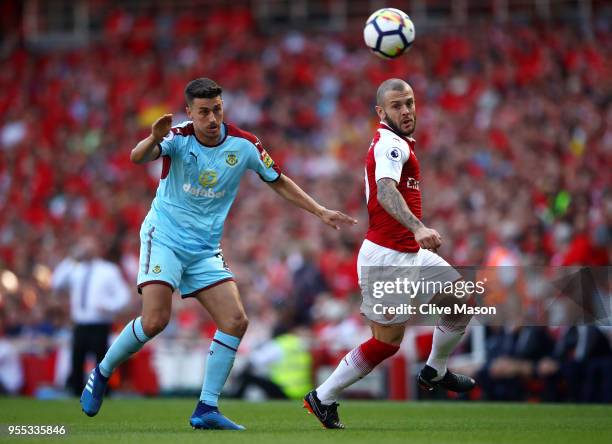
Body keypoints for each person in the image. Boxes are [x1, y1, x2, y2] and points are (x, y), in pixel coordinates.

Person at [80, 78, 356, 430]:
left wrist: (319, 210)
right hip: (164, 237)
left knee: (236, 321)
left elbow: (279, 180)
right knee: (155, 321)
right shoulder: (177, 136)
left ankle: (206, 408)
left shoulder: (244, 144)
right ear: (190, 113)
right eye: (204, 112)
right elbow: (138, 157)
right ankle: (102, 372)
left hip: (204, 248)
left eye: (217, 110)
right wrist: (153, 136)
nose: (212, 118)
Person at [303, 79, 476, 429]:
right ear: (381, 112)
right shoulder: (390, 145)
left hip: (409, 252)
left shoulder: (400, 143)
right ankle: (322, 397)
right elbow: (385, 191)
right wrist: (418, 227)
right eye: (397, 105)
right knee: (387, 343)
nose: (407, 110)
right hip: (387, 258)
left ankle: (434, 370)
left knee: (460, 299)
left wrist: (415, 236)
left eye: (410, 102)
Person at [52, 235, 130, 396]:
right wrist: (71, 258)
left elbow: (123, 296)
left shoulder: (108, 270)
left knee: (101, 362)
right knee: (77, 361)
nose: (87, 249)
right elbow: (56, 282)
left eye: (90, 245)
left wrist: (108, 306)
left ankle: (102, 392)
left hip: (100, 323)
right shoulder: (75, 268)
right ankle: (76, 393)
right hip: (80, 323)